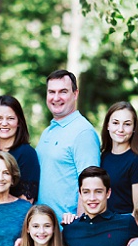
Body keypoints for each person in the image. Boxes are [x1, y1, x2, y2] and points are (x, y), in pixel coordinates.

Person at [36, 69, 100, 219]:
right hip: (42, 229)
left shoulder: (83, 133)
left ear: (75, 94)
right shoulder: (47, 131)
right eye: (51, 92)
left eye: (63, 92)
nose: (56, 98)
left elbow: (90, 186)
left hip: (66, 230)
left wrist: (78, 230)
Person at [0, 96, 40, 202]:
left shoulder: (27, 154)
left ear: (19, 122)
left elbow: (25, 203)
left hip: (13, 217)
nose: (4, 123)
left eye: (10, 118)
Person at [100, 101, 138, 214]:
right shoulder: (102, 157)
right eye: (115, 123)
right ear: (108, 125)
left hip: (123, 226)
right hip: (101, 225)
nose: (120, 129)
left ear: (134, 127)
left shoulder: (137, 162)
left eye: (127, 124)